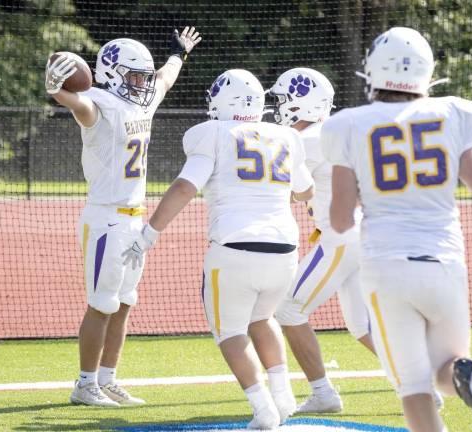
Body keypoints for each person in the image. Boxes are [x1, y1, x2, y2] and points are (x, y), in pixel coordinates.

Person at [321, 26, 472, 432]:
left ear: (372, 72)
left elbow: (341, 219)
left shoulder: (348, 124)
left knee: (413, 389)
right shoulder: (453, 113)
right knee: (446, 372)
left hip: (386, 267)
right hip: (443, 262)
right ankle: (462, 376)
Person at [122, 69, 314, 429]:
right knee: (262, 318)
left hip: (235, 247)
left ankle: (264, 408)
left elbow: (184, 186)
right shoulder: (287, 136)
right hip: (285, 250)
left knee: (230, 332)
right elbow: (305, 190)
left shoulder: (211, 134)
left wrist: (150, 233)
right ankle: (283, 393)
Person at [44, 27, 202, 407]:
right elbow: (80, 107)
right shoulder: (99, 103)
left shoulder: (141, 101)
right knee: (102, 304)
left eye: (142, 77)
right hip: (106, 219)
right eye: (134, 76)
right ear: (113, 74)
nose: (142, 84)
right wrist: (56, 91)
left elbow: (165, 77)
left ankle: (107, 379)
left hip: (135, 219)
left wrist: (179, 53)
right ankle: (84, 384)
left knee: (125, 302)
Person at [269, 67, 374, 414]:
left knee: (287, 308)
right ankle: (425, 383)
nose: (279, 106)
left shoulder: (306, 140)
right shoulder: (331, 133)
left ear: (303, 103)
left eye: (284, 99)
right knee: (361, 327)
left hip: (338, 238)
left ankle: (323, 392)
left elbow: (295, 192)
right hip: (358, 235)